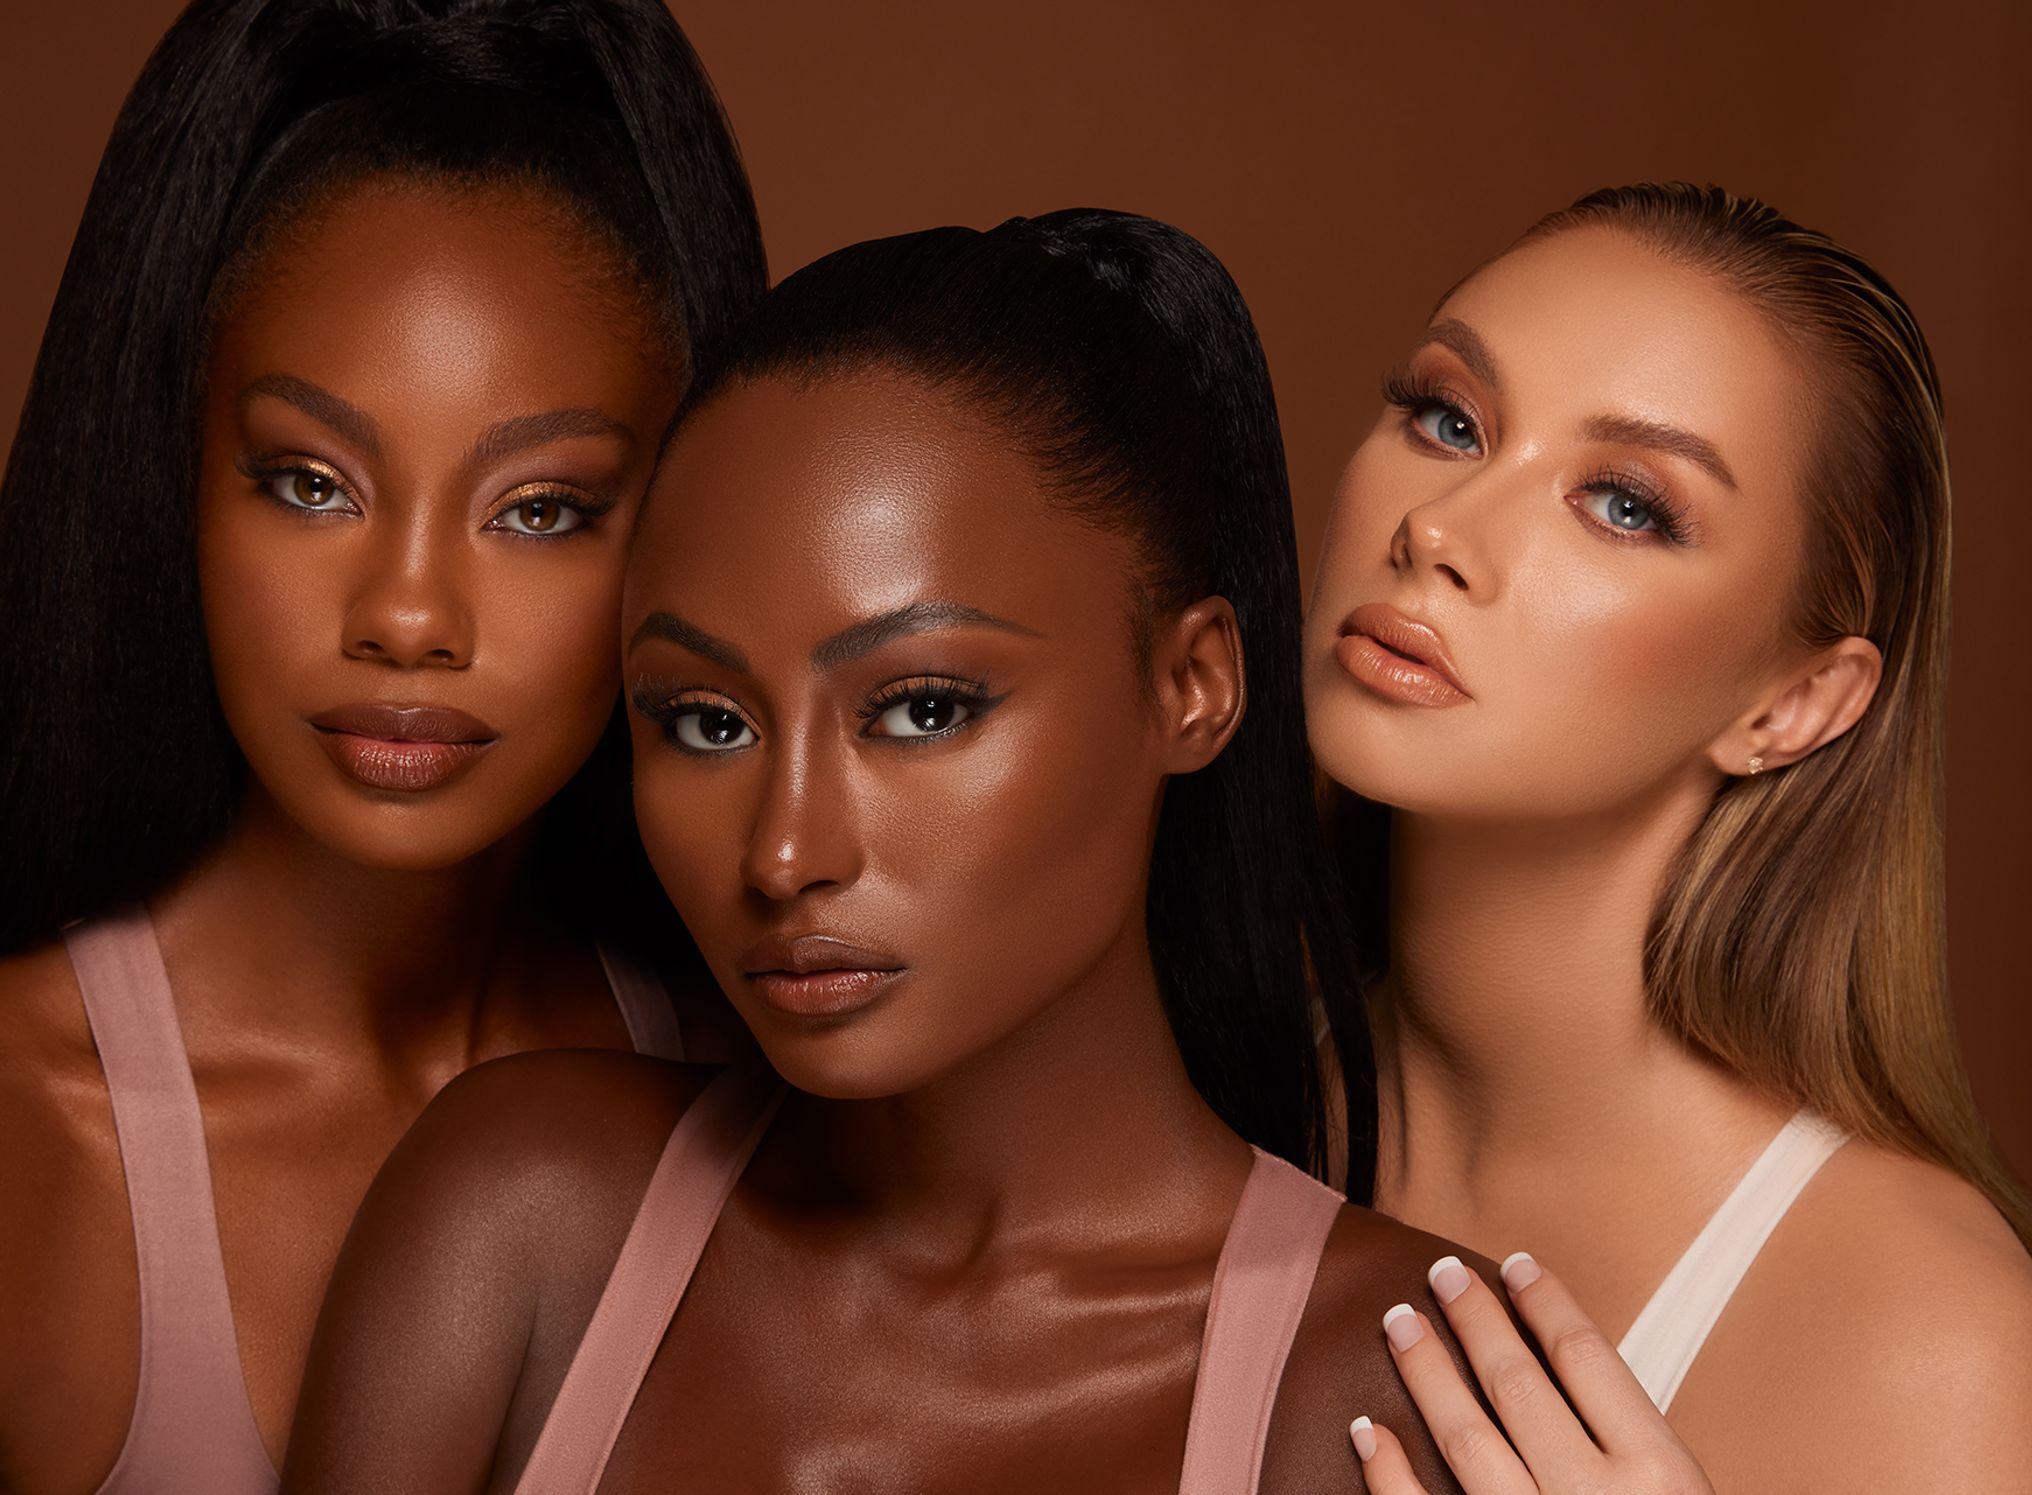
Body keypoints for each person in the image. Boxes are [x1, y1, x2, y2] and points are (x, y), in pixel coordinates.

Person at [283, 210, 1504, 1494]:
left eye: (922, 708)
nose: (783, 850)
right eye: (706, 722)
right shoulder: (523, 1216)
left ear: (1189, 683)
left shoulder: (1392, 1383)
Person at [0, 2, 763, 1489]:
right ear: (177, 476)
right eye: (311, 483)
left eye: (540, 508)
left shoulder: (758, 1099)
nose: (410, 613)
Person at [1303, 184, 2032, 1493]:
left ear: (1792, 702)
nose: (1441, 529)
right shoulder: (1182, 1123)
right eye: (1448, 417)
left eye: (1628, 503)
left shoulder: (1932, 1337)